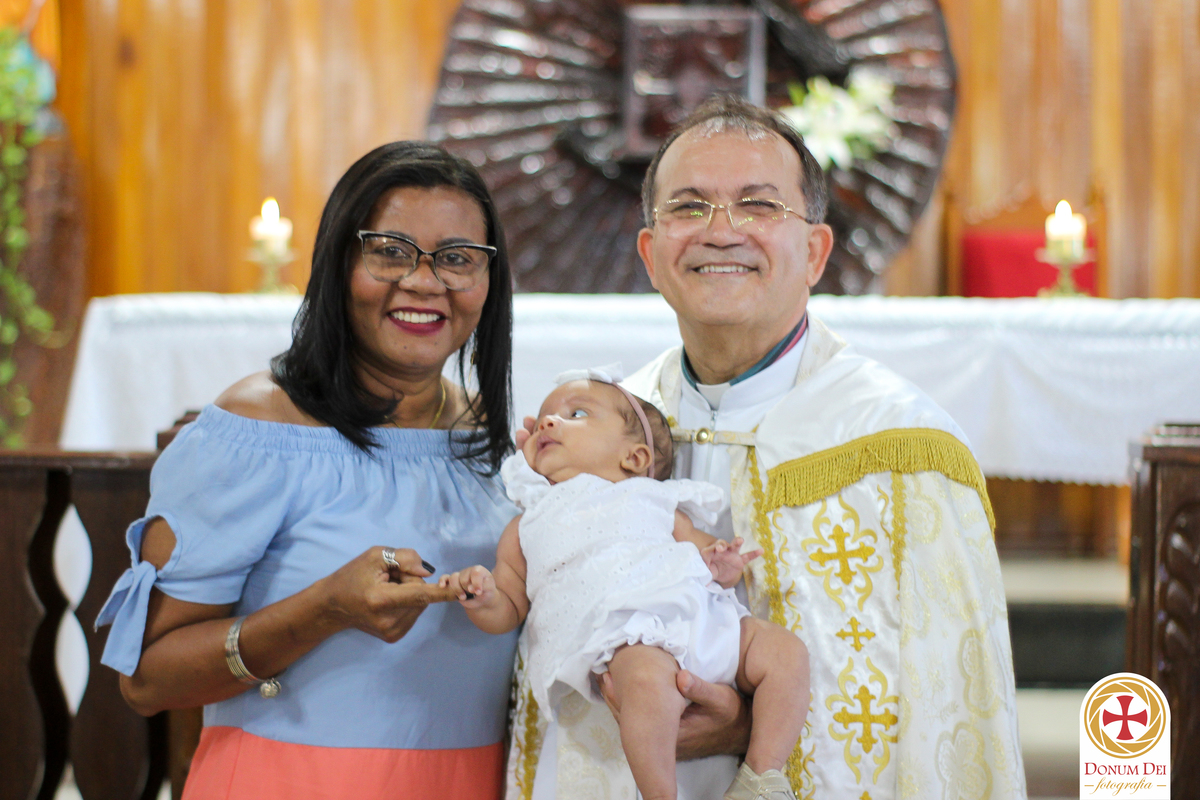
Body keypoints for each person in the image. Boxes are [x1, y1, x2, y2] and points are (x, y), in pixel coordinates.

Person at [506, 96, 1026, 799]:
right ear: (651, 255)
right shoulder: (601, 433)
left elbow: (948, 717)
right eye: (689, 207)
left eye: (758, 205)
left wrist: (749, 725)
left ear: (814, 251)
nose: (722, 231)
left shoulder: (903, 450)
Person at [95, 141, 520, 800]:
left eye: (457, 257)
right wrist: (325, 609)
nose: (425, 281)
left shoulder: (489, 435)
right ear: (338, 262)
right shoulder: (257, 429)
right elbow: (147, 679)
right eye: (391, 251)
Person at [439, 367, 810, 800]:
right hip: (628, 641)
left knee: (785, 652)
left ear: (634, 458)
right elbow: (509, 605)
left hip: (703, 620)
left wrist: (721, 562)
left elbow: (703, 550)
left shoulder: (656, 499)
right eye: (542, 418)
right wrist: (484, 596)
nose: (547, 422)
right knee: (648, 685)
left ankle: (761, 776)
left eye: (576, 414)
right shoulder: (528, 525)